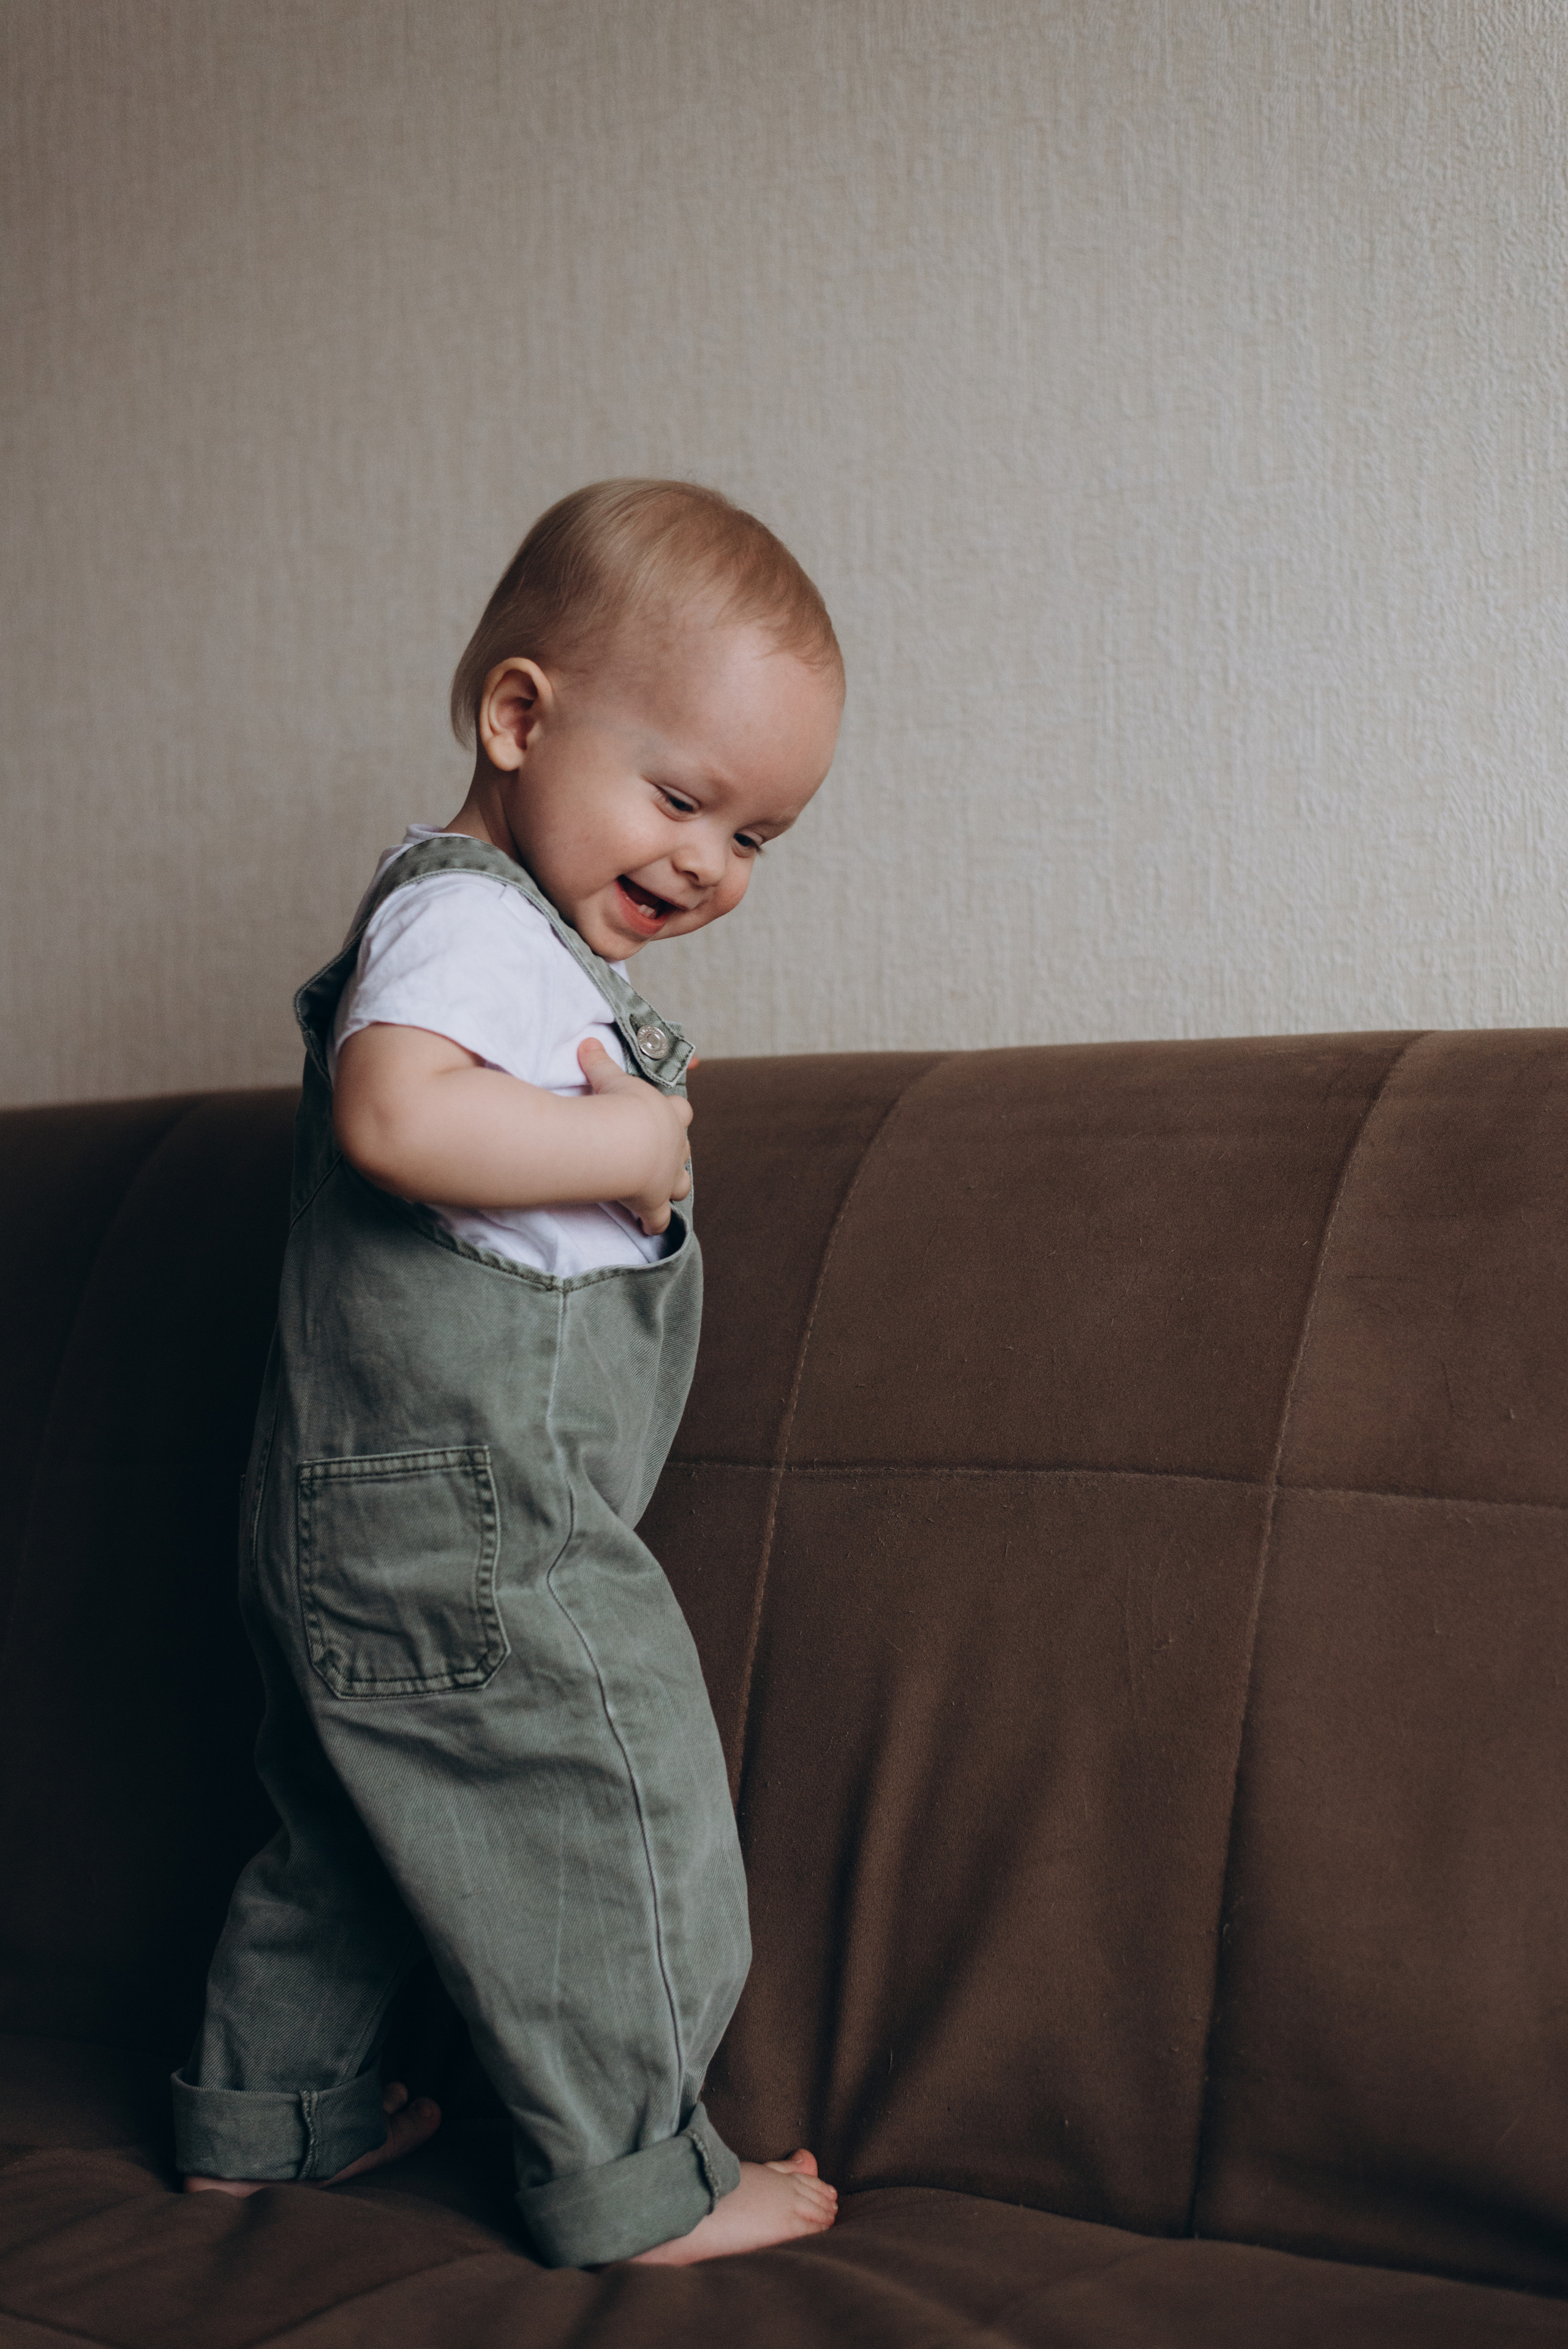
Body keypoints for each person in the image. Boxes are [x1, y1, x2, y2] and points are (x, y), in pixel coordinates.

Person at [172, 480, 845, 2267]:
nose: (711, 862)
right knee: (624, 1811)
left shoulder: (486, 928)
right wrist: (629, 1144)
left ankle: (268, 2120)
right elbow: (392, 1111)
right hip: (478, 1525)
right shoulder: (472, 923)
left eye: (760, 835)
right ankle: (639, 2182)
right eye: (683, 796)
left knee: (345, 1834)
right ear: (519, 716)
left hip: (341, 1514)